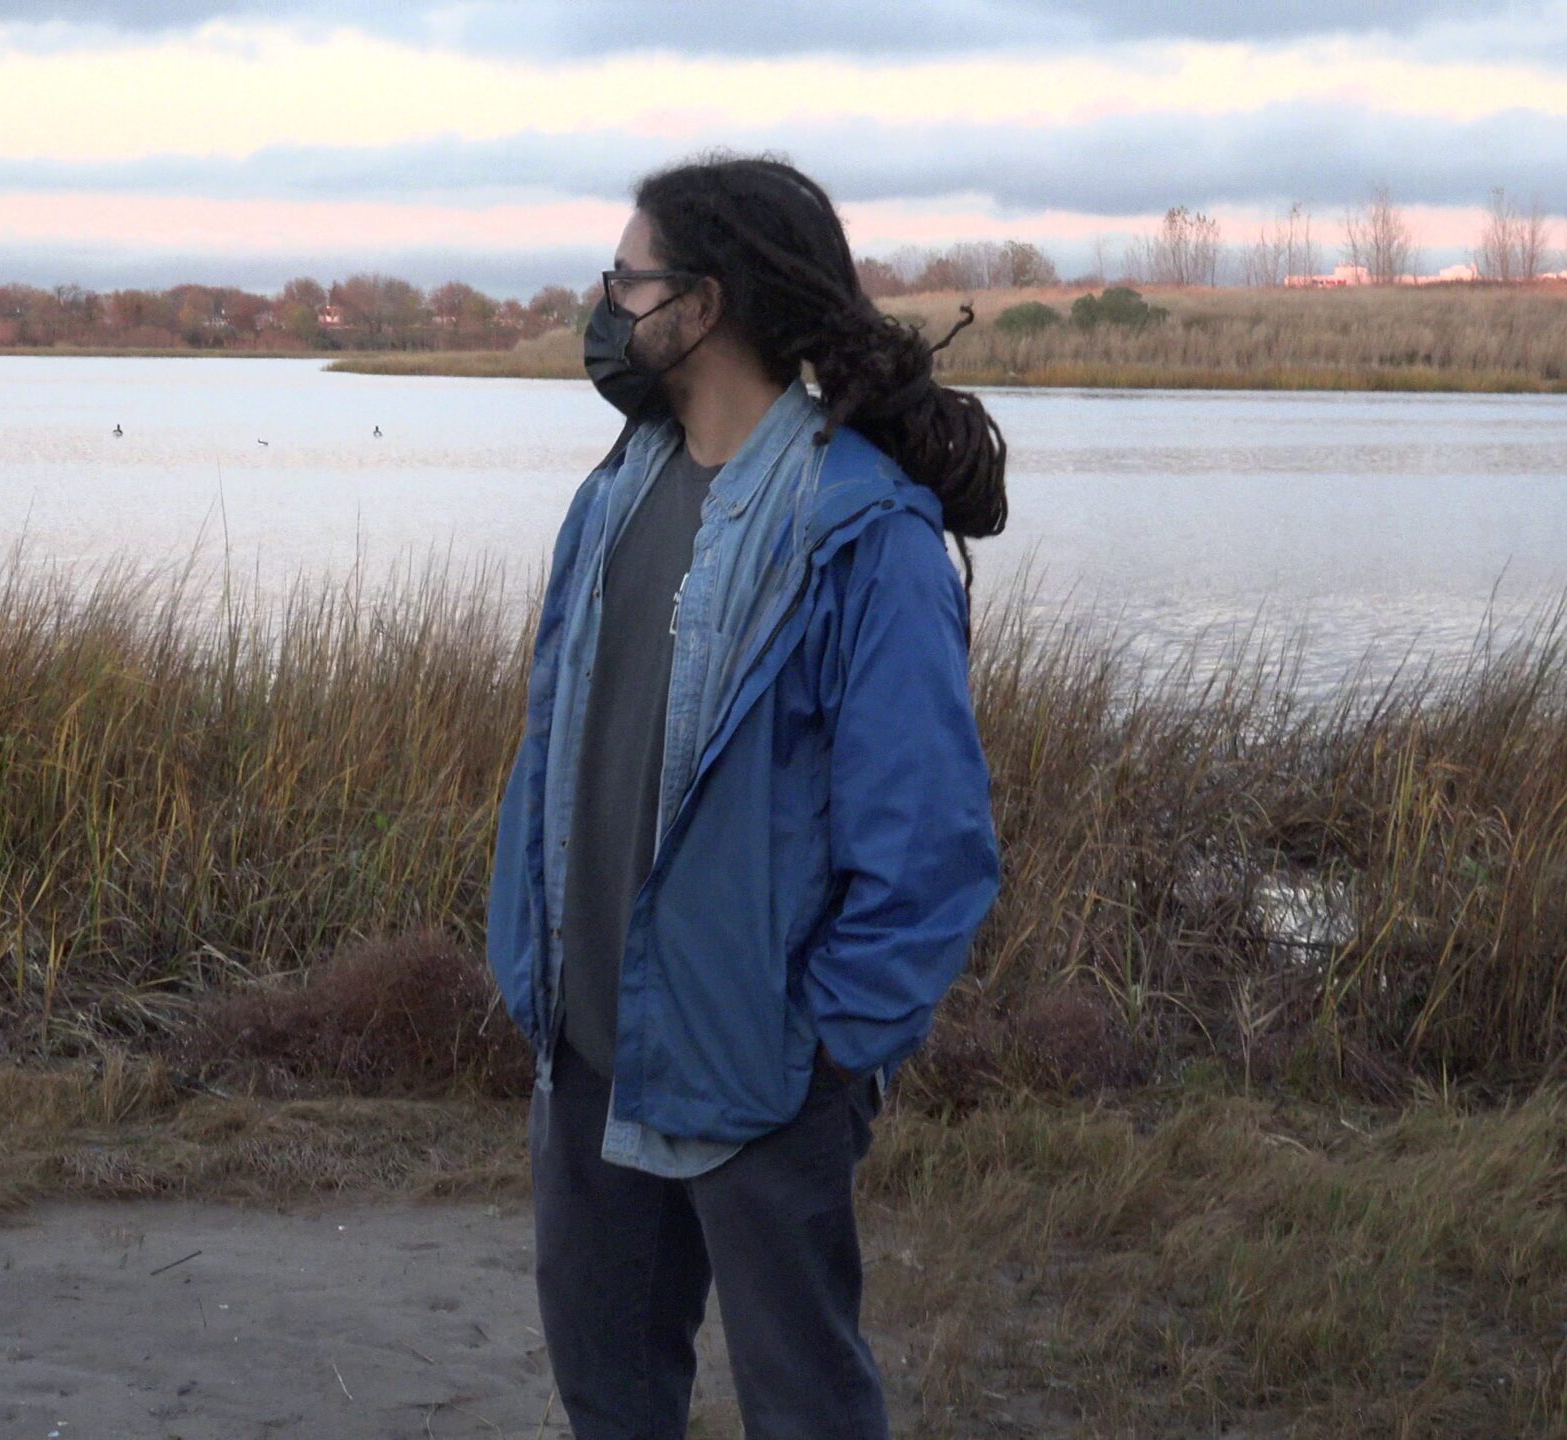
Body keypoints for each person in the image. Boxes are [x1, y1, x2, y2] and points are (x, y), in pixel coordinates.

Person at [484, 152, 1008, 1439]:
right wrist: (533, 954)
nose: (605, 304)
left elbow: (929, 846)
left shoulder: (861, 534)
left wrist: (824, 1047)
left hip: (761, 1068)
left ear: (702, 304)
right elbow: (558, 741)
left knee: (804, 1403)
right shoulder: (612, 496)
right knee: (608, 1397)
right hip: (589, 1049)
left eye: (627, 276)